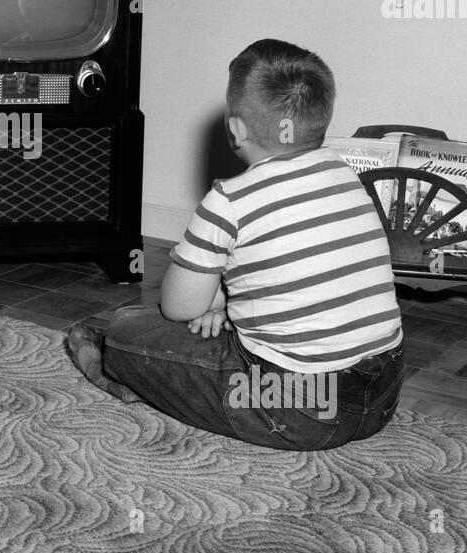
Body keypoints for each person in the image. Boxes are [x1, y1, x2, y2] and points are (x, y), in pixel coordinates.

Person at [68, 38, 404, 450]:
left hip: (297, 410)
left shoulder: (229, 200)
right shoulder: (344, 174)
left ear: (236, 129)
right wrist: (226, 302)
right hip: (381, 394)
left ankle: (138, 379)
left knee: (124, 330)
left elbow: (178, 307)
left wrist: (209, 301)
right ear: (321, 118)